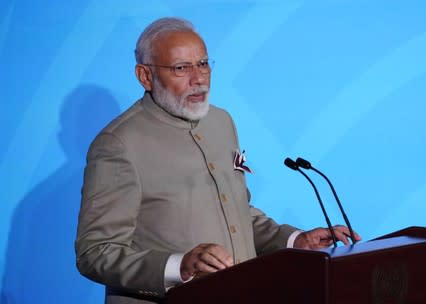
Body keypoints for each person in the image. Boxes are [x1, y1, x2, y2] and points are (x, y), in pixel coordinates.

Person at [75, 17, 361, 304]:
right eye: (181, 68)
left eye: (203, 63)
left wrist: (293, 240)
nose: (198, 78)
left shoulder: (222, 122)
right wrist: (178, 266)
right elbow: (96, 252)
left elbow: (236, 212)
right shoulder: (118, 144)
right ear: (145, 76)